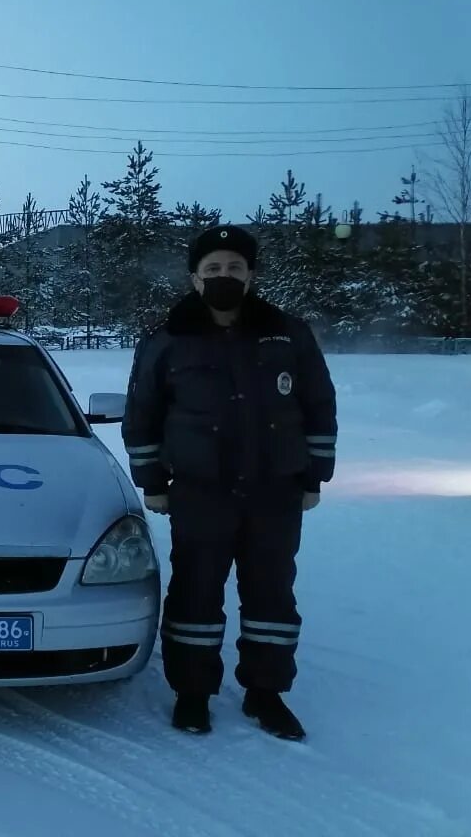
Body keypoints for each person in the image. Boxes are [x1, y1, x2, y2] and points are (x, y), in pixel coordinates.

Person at [122, 224, 337, 741]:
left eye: (234, 268)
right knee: (196, 592)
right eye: (213, 269)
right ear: (195, 278)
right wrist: (152, 480)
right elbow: (142, 414)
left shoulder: (289, 333)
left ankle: (267, 692)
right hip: (201, 490)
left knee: (271, 594)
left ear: (251, 274)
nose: (224, 276)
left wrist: (315, 475)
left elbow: (318, 405)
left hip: (275, 490)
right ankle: (192, 693)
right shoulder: (167, 338)